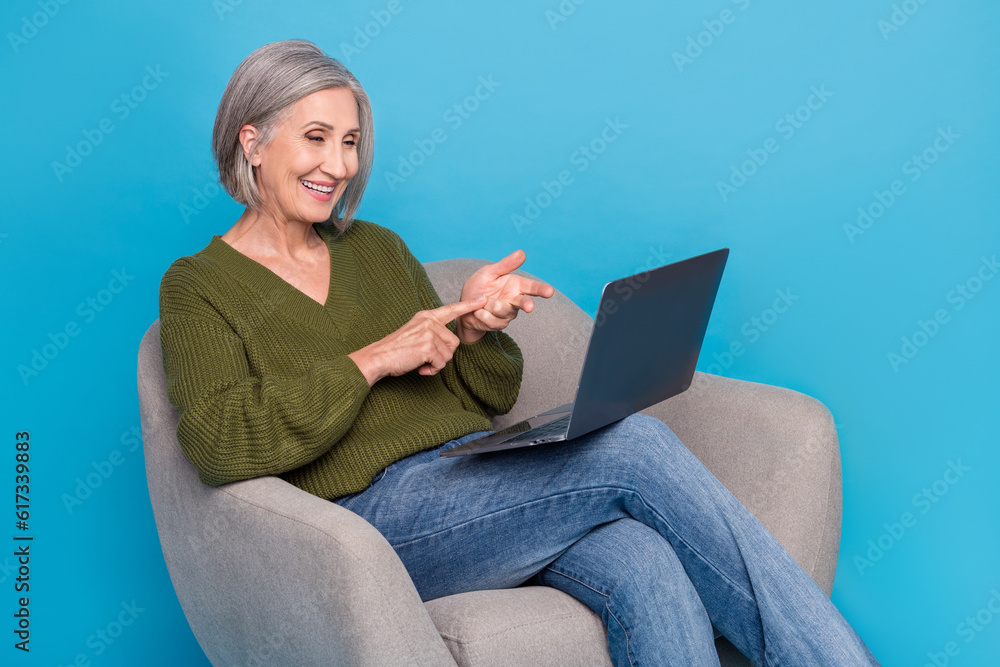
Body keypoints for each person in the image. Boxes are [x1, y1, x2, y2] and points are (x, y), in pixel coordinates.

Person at [159, 39, 880, 666]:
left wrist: (477, 332)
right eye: (316, 137)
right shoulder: (198, 286)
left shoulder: (375, 249)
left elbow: (484, 399)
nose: (338, 164)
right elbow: (219, 441)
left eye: (350, 142)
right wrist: (371, 358)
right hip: (370, 524)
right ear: (251, 141)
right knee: (631, 448)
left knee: (643, 559)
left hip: (469, 475)